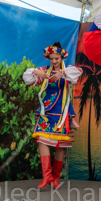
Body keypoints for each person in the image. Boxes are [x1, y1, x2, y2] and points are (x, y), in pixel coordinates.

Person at [23, 42, 83, 189]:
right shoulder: (44, 70)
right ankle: (47, 175)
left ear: (61, 58)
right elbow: (27, 77)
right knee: (42, 140)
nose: (54, 61)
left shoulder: (67, 70)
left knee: (60, 146)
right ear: (48, 59)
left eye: (57, 58)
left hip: (62, 112)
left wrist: (61, 74)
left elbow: (78, 72)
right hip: (47, 112)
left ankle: (55, 178)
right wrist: (37, 73)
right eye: (52, 59)